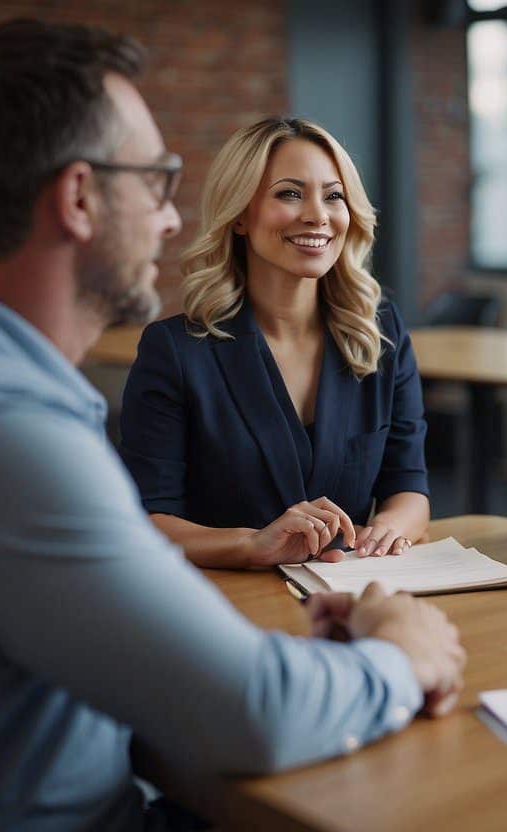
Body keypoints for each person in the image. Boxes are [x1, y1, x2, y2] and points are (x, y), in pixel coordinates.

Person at [0, 19, 465, 829]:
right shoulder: (19, 433)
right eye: (153, 180)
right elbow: (256, 712)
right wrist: (399, 649)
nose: (170, 220)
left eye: (332, 193)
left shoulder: (39, 405)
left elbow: (406, 481)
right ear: (76, 197)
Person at [119, 117, 428, 568]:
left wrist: (387, 531)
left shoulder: (380, 331)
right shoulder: (174, 351)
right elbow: (148, 520)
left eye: (334, 195)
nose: (317, 215)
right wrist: (250, 545)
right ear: (240, 214)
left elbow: (410, 488)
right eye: (290, 193)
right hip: (222, 608)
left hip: (348, 596)